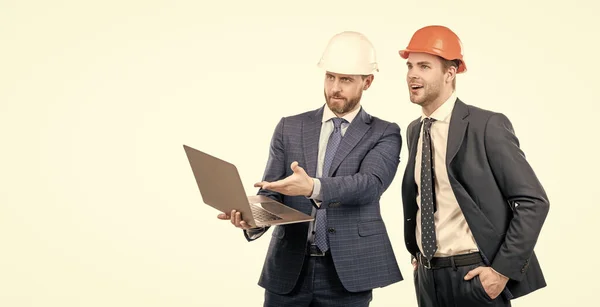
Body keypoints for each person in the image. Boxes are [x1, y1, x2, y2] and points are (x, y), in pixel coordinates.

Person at [217, 31, 404, 306]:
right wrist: (253, 220)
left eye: (346, 80)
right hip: (289, 270)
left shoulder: (384, 132)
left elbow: (370, 185)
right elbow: (273, 193)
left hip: (347, 274)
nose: (335, 87)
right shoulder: (290, 127)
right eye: (330, 77)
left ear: (368, 81)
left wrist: (314, 187)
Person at [398, 25, 550, 307]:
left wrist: (501, 271)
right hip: (427, 278)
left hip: (474, 277)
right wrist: (418, 254)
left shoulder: (486, 125)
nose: (412, 74)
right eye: (409, 66)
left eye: (424, 66)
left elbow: (534, 201)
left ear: (450, 73)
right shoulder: (415, 131)